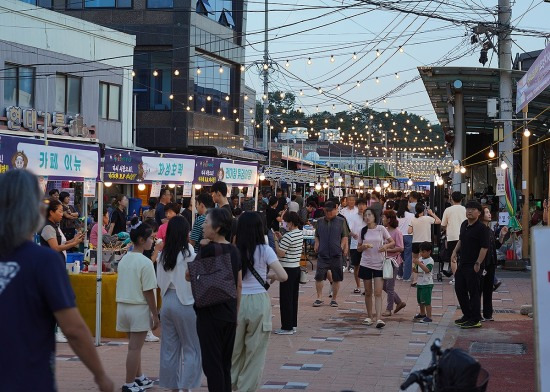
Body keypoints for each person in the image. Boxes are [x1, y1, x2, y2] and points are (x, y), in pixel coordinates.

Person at [0, 170, 114, 392]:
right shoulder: (43, 261)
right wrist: (100, 375)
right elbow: (73, 328)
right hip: (29, 380)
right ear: (34, 210)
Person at [232, 212, 287, 391]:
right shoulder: (265, 250)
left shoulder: (234, 250)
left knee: (234, 352)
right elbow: (283, 276)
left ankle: (230, 385)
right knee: (255, 354)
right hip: (258, 301)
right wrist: (269, 275)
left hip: (236, 301)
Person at [192, 208, 242, 392]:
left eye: (206, 222)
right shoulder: (235, 251)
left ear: (218, 227)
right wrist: (236, 314)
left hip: (209, 313)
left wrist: (203, 249)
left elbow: (189, 274)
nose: (203, 225)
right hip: (229, 313)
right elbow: (239, 285)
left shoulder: (208, 250)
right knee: (225, 364)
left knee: (212, 365)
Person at [157, 216, 202, 392]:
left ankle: (173, 387)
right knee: (192, 347)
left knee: (169, 349)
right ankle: (186, 387)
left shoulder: (163, 255)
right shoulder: (189, 252)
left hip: (167, 301)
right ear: (184, 232)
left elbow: (159, 282)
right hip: (186, 302)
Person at [116, 218, 158, 392]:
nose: (153, 241)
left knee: (134, 346)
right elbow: (149, 291)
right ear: (142, 240)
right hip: (138, 308)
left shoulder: (125, 259)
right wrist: (155, 314)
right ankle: (129, 383)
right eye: (151, 238)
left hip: (123, 307)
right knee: (135, 348)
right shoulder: (146, 263)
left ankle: (138, 377)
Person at [451, 200, 490, 329]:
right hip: (463, 263)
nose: (469, 211)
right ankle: (467, 315)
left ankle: (475, 318)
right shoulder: (464, 224)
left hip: (474, 265)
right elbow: (461, 240)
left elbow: (484, 248)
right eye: (468, 209)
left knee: (473, 292)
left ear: (479, 213)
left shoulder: (482, 228)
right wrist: (454, 252)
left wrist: (478, 262)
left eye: (473, 209)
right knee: (459, 288)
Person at [357, 208, 395, 329]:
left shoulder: (381, 229)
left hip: (379, 264)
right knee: (368, 292)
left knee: (378, 292)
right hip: (365, 263)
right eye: (365, 215)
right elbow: (358, 248)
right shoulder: (362, 231)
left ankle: (379, 318)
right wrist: (363, 246)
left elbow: (392, 242)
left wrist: (385, 247)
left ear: (374, 217)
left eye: (369, 215)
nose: (367, 217)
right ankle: (369, 316)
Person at [313, 201, 349, 308]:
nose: (328, 213)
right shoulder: (319, 222)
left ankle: (334, 299)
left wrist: (343, 247)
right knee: (319, 276)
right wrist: (317, 243)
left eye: (330, 211)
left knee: (337, 277)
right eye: (326, 211)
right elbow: (317, 235)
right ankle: (319, 298)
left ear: (335, 210)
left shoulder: (341, 221)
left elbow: (345, 236)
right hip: (323, 253)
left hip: (336, 253)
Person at [273, 212, 304, 335]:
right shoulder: (299, 233)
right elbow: (290, 247)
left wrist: (275, 241)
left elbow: (281, 253)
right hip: (295, 268)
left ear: (290, 223)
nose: (283, 223)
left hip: (287, 269)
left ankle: (286, 327)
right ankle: (292, 324)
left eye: (285, 221)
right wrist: (281, 238)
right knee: (293, 298)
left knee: (286, 299)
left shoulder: (289, 236)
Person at [480, 205, 508, 322]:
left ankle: (488, 314)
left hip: (491, 263)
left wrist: (501, 235)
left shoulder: (490, 231)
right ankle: (477, 314)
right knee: (478, 290)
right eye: (486, 212)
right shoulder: (480, 230)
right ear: (481, 215)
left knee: (488, 290)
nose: (489, 214)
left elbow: (495, 246)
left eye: (489, 212)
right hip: (481, 264)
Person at [41, 199, 84, 263]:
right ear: (51, 212)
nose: (62, 214)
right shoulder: (48, 227)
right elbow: (55, 248)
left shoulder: (55, 226)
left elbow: (62, 243)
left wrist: (74, 239)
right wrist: (74, 243)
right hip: (51, 264)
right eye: (60, 211)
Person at [408, 203, 441, 287]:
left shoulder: (413, 219)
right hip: (425, 242)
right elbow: (439, 221)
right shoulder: (428, 218)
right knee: (424, 261)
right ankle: (423, 279)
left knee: (415, 261)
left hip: (415, 242)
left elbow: (409, 231)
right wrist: (432, 213)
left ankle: (415, 280)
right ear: (423, 210)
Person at [381, 210, 406, 317]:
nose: (382, 219)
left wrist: (386, 249)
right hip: (385, 261)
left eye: (384, 217)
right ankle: (399, 302)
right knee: (383, 285)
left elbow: (401, 248)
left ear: (389, 219)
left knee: (389, 286)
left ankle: (389, 309)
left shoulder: (397, 232)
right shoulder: (384, 230)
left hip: (393, 262)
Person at [441, 191, 466, 281]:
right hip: (464, 236)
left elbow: (443, 224)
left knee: (453, 257)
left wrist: (445, 229)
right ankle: (464, 275)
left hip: (451, 236)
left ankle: (456, 277)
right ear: (462, 199)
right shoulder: (465, 209)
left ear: (451, 199)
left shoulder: (448, 210)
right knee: (463, 257)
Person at [412, 242, 435, 323]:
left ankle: (429, 316)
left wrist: (419, 263)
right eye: (420, 252)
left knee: (427, 300)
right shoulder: (421, 259)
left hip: (427, 283)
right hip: (420, 282)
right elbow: (418, 270)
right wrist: (414, 268)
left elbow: (427, 270)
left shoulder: (430, 260)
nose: (421, 253)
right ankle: (422, 313)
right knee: (420, 299)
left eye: (423, 252)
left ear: (429, 252)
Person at [349, 198, 367, 293]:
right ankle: (358, 286)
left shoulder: (369, 216)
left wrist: (366, 217)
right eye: (359, 205)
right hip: (355, 245)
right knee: (356, 266)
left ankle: (366, 287)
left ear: (366, 206)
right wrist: (353, 234)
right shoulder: (353, 217)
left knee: (365, 266)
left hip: (366, 245)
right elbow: (349, 229)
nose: (361, 207)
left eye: (363, 204)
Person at [397, 199, 414, 281]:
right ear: (406, 205)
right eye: (409, 203)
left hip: (399, 237)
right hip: (409, 236)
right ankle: (406, 277)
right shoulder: (411, 215)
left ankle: (399, 274)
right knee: (408, 257)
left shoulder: (397, 215)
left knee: (399, 256)